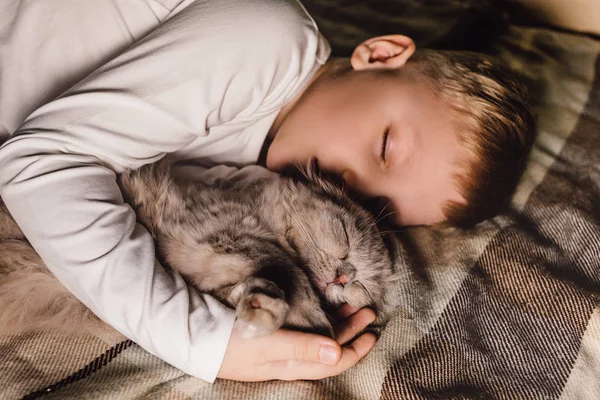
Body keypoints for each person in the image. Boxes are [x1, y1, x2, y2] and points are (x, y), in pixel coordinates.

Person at [0, 0, 535, 383]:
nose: (350, 187)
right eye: (386, 146)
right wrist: (203, 342)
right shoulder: (270, 41)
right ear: (379, 54)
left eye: (377, 206)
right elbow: (40, 163)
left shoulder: (258, 170)